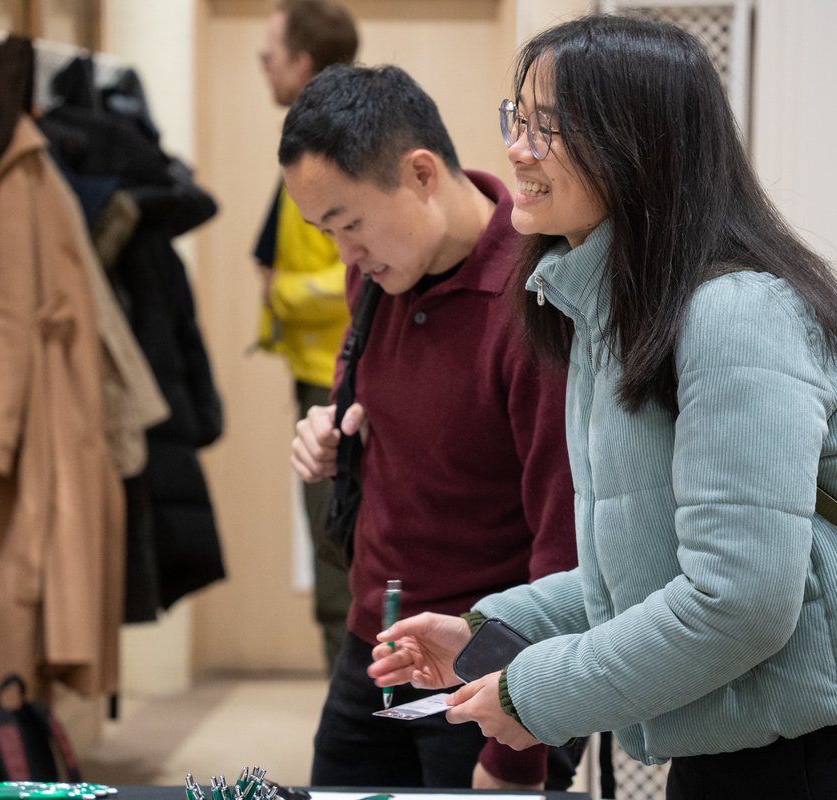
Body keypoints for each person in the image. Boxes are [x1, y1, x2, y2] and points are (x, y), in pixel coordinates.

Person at [369, 14, 837, 800]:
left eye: (548, 127)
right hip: (734, 748)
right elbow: (638, 571)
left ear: (636, 143)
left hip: (833, 761)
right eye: (518, 118)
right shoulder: (613, 315)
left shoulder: (736, 315)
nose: (517, 150)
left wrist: (535, 692)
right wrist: (487, 631)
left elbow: (740, 601)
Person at [281, 64, 581, 790]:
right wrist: (332, 431)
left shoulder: (537, 302)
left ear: (420, 174)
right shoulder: (378, 274)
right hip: (374, 645)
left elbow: (566, 545)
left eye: (350, 224)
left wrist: (516, 753)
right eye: (326, 233)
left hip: (486, 673)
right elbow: (375, 403)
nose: (345, 255)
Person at [254, 0, 359, 671]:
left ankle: (356, 717)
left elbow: (358, 270)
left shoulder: (337, 148)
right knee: (335, 567)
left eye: (268, 56)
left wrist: (282, 295)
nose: (263, 69)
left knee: (340, 573)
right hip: (316, 374)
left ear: (301, 62)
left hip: (338, 381)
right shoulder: (305, 144)